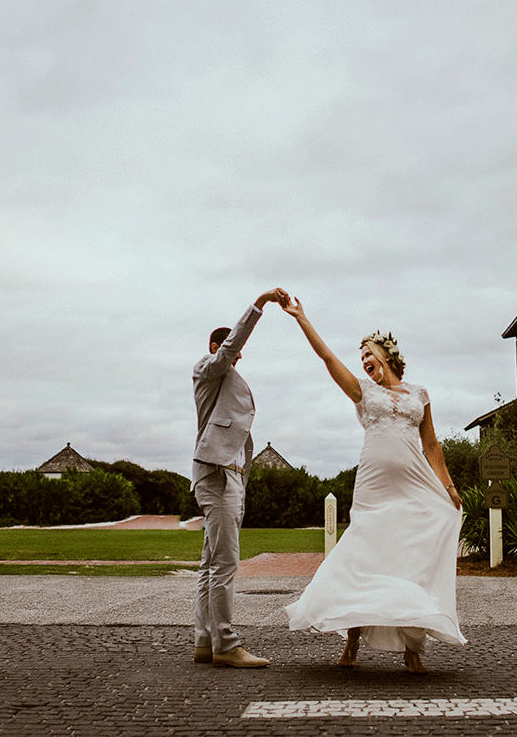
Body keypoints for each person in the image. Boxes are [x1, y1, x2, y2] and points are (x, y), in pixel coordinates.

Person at [281, 296, 465, 674]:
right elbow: (327, 358)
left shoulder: (420, 394)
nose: (364, 360)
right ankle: (352, 639)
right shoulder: (363, 391)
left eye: (369, 353)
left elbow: (431, 445)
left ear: (386, 356)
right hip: (374, 488)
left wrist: (448, 487)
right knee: (363, 559)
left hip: (415, 487)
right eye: (362, 356)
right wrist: (301, 317)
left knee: (411, 564)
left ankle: (412, 648)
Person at [191, 287, 289, 669]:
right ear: (216, 347)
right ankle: (227, 644)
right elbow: (231, 346)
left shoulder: (223, 378)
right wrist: (260, 304)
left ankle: (206, 641)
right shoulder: (207, 367)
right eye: (232, 349)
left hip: (225, 477)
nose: (239, 355)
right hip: (217, 475)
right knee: (225, 564)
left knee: (211, 563)